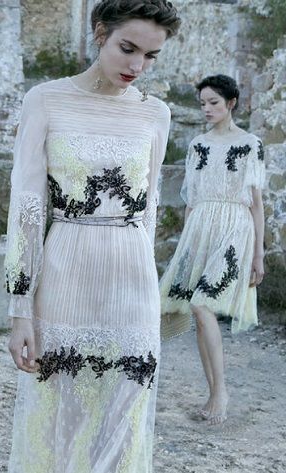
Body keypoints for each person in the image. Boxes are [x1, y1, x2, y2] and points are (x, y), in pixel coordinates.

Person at [4, 0, 179, 470]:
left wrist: (152, 283)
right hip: (66, 268)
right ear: (100, 33)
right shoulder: (45, 99)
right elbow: (26, 209)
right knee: (64, 417)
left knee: (124, 418)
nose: (137, 66)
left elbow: (149, 206)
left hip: (132, 277)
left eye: (151, 56)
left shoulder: (156, 113)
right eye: (128, 48)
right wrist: (20, 309)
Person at [159, 74, 265, 425]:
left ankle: (221, 392)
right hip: (200, 228)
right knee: (196, 309)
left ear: (231, 103)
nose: (206, 109)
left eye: (214, 103)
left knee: (202, 304)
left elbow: (256, 204)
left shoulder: (250, 144)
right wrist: (184, 246)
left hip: (235, 226)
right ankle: (212, 392)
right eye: (202, 103)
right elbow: (191, 200)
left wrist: (258, 254)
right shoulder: (197, 145)